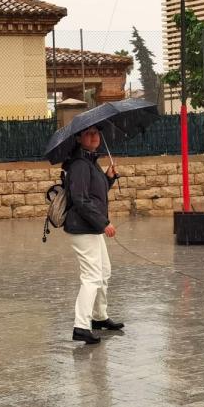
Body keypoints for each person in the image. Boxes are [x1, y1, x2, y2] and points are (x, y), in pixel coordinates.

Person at [64, 125, 125, 345]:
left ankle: (99, 317)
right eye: (88, 133)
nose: (94, 137)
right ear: (79, 138)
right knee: (91, 277)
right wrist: (104, 222)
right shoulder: (80, 164)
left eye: (96, 133)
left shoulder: (91, 162)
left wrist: (108, 179)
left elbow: (94, 194)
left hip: (91, 227)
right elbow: (80, 200)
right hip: (83, 228)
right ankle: (81, 326)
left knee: (104, 271)